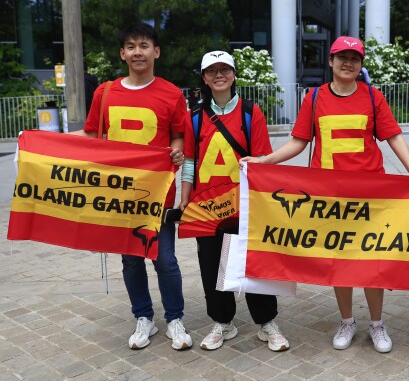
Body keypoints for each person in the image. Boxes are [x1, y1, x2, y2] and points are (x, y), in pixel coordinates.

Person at [241, 36, 409, 353]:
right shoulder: (314, 98)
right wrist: (263, 161)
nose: (348, 63)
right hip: (328, 198)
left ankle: (377, 324)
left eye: (354, 58)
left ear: (360, 64)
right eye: (341, 57)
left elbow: (393, 137)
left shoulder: (373, 97)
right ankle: (346, 320)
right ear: (330, 61)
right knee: (339, 259)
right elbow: (299, 143)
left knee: (373, 259)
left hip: (372, 196)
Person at [72, 23, 192, 351]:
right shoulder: (105, 92)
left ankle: (175, 318)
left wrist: (178, 149)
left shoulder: (171, 94)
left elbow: (178, 135)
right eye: (130, 46)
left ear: (156, 51)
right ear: (122, 53)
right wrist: (41, 143)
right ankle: (143, 317)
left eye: (144, 45)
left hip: (159, 194)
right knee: (130, 259)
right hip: (119, 196)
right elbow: (90, 135)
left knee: (165, 258)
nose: (137, 51)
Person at [179, 51, 289, 352]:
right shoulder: (196, 117)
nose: (219, 75)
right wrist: (185, 199)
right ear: (204, 78)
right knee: (213, 265)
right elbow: (189, 161)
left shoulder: (250, 113)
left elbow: (263, 162)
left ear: (233, 74)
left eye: (224, 69)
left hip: (245, 204)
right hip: (206, 208)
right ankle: (223, 322)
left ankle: (266, 323)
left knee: (254, 262)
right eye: (212, 70)